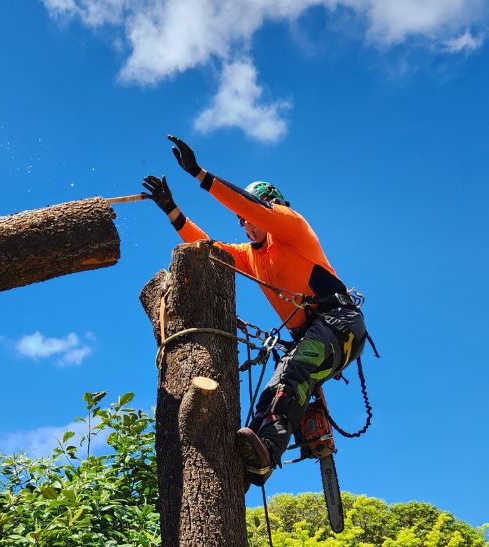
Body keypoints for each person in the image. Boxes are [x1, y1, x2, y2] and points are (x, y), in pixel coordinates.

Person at [141, 133, 369, 484]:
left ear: (269, 206)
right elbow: (208, 248)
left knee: (293, 373)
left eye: (247, 216)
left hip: (339, 322)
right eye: (240, 221)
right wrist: (173, 210)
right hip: (310, 334)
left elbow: (249, 205)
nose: (245, 224)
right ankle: (255, 455)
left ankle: (267, 450)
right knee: (276, 387)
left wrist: (199, 174)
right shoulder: (251, 256)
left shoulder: (292, 228)